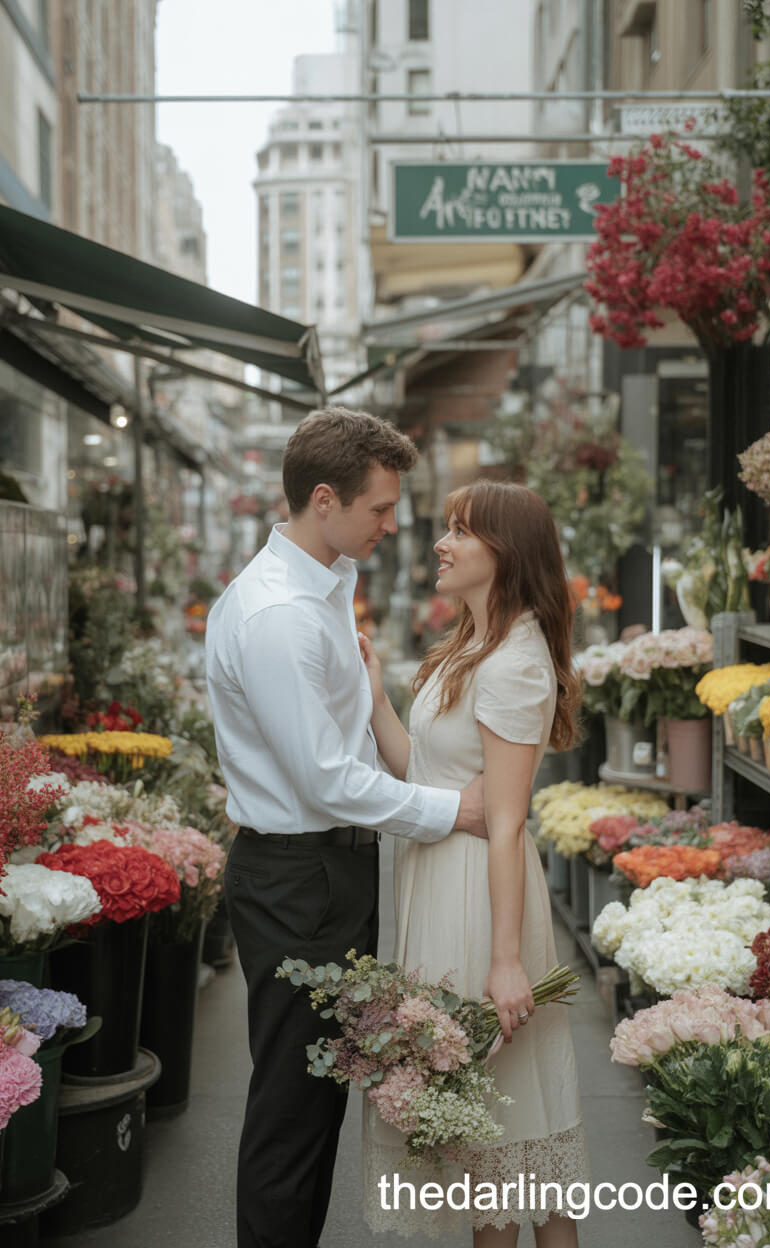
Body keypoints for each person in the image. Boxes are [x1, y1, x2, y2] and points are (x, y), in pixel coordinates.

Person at [204, 406, 486, 1248]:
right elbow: (323, 779)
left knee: (316, 1098)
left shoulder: (322, 588)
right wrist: (450, 811)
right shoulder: (280, 615)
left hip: (322, 877)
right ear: (323, 499)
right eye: (379, 508)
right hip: (300, 880)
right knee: (295, 1109)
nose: (394, 526)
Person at [361, 479, 590, 1246]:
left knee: (502, 1128)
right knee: (490, 1133)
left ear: (505, 553)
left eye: (461, 530)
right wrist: (376, 697)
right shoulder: (471, 645)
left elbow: (506, 818)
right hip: (442, 883)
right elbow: (423, 774)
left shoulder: (514, 661)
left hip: (479, 899)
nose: (441, 541)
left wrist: (503, 961)